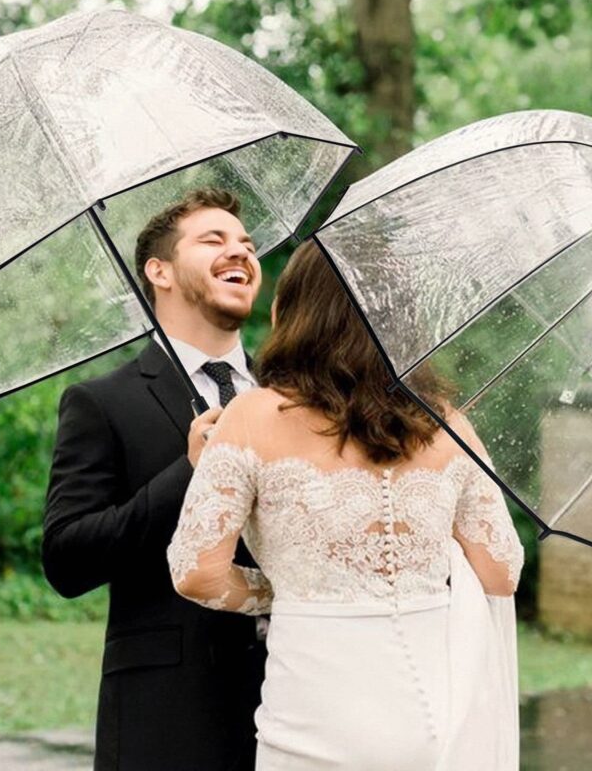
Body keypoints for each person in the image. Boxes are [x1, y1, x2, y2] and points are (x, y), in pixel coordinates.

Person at [167, 237, 526, 770]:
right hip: (431, 710)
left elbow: (195, 571)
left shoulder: (250, 417)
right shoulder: (445, 422)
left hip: (313, 705)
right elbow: (501, 572)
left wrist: (285, 590)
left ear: (300, 311)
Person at [42, 187, 269, 771]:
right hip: (166, 713)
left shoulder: (292, 393)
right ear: (159, 271)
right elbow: (68, 560)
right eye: (213, 240)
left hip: (295, 695)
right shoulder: (101, 401)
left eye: (246, 243)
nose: (240, 252)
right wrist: (188, 471)